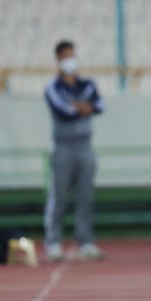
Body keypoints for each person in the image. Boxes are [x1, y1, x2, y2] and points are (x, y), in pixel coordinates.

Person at [43, 40, 104, 262]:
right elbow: (64, 111)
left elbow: (100, 106)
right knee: (58, 195)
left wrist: (80, 106)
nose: (71, 60)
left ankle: (85, 241)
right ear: (59, 59)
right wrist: (83, 107)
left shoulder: (87, 84)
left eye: (73, 55)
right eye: (67, 56)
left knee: (85, 196)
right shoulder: (53, 87)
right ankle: (53, 242)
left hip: (85, 145)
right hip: (63, 146)